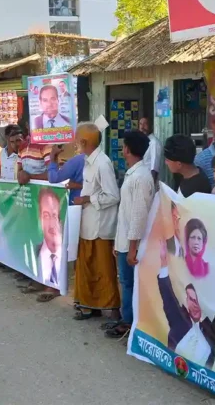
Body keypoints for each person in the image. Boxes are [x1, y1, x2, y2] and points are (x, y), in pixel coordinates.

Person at [106, 129, 155, 339]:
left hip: (133, 243)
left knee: (130, 283)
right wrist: (119, 243)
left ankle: (130, 322)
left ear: (127, 149)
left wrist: (132, 247)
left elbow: (138, 216)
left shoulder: (142, 177)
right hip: (126, 240)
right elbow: (126, 213)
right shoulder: (134, 173)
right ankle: (128, 318)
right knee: (126, 282)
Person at [158, 256, 215, 368]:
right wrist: (163, 263)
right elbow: (168, 297)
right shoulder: (179, 321)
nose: (195, 304)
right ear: (186, 300)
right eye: (191, 299)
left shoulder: (210, 330)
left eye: (197, 300)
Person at [72, 122, 122, 319]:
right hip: (87, 222)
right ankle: (89, 305)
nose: (74, 143)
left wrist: (87, 199)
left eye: (77, 140)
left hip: (100, 225)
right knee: (86, 266)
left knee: (104, 270)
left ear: (84, 142)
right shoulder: (88, 161)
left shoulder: (103, 163)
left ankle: (112, 310)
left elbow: (113, 195)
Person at [37, 188, 64, 289]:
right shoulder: (34, 254)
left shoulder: (67, 251)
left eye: (54, 215)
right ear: (40, 219)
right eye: (46, 216)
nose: (52, 224)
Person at [139, 117, 162, 183]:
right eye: (140, 124)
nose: (142, 127)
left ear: (151, 126)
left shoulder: (154, 142)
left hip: (150, 181)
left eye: (145, 124)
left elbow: (154, 166)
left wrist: (152, 184)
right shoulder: (143, 141)